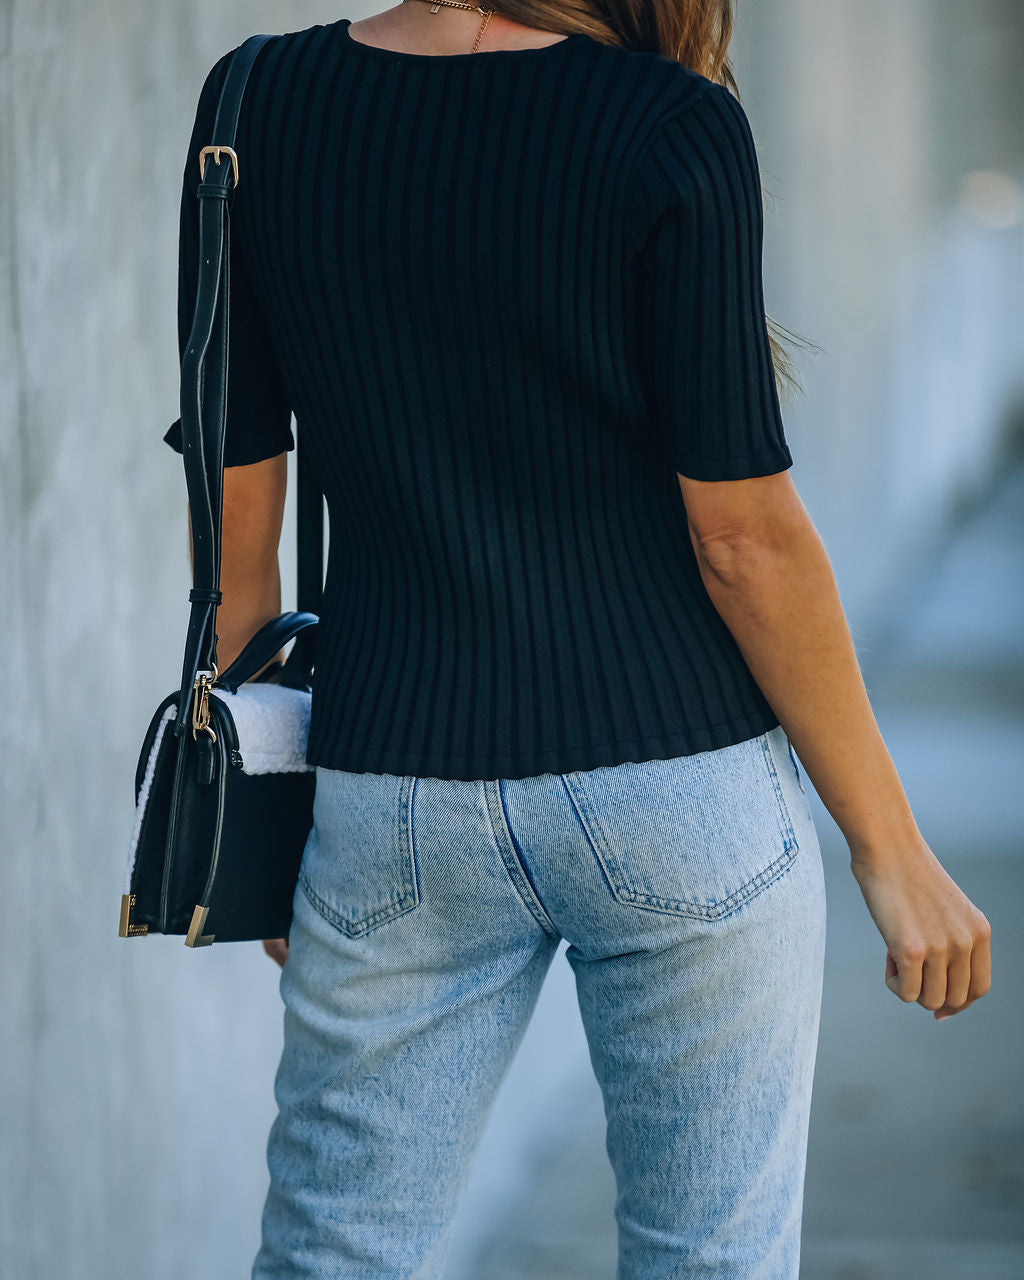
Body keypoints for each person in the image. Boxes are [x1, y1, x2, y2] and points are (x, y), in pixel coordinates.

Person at [164, 3, 992, 1276]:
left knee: (337, 1251)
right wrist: (888, 845)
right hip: (678, 788)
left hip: (390, 795)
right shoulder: (670, 125)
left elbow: (237, 526)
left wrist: (272, 822)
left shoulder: (253, 105)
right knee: (708, 1259)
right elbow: (744, 542)